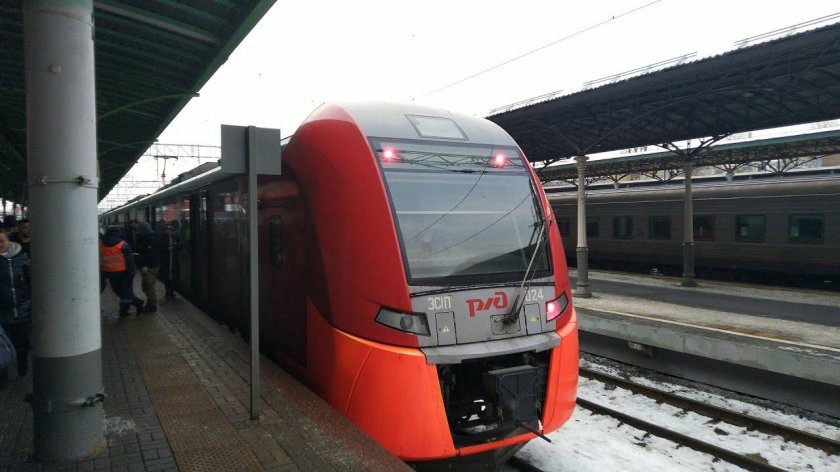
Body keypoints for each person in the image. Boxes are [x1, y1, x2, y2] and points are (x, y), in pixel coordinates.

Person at [0, 228, 31, 379]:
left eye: (1, 241)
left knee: (22, 344)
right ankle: (3, 376)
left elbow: (31, 278)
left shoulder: (21, 257)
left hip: (22, 309)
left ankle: (22, 370)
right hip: (2, 312)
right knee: (2, 345)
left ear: (8, 241)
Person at [100, 226, 144, 318]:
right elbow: (130, 261)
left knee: (119, 291)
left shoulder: (101, 245)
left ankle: (124, 311)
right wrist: (131, 273)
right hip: (125, 273)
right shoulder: (123, 244)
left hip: (110, 273)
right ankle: (136, 304)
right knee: (126, 293)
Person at [135, 222, 160, 312]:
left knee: (149, 287)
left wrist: (145, 265)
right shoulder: (152, 237)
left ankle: (152, 305)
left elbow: (149, 254)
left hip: (150, 267)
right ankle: (150, 303)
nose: (138, 232)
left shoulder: (150, 239)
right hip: (152, 265)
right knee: (147, 286)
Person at [159, 223, 180, 300]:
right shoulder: (163, 238)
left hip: (174, 261)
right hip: (166, 261)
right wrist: (168, 248)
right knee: (166, 276)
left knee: (173, 276)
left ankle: (172, 291)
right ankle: (167, 291)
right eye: (168, 230)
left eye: (171, 230)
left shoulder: (175, 237)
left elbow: (180, 246)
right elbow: (160, 248)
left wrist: (175, 246)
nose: (169, 231)